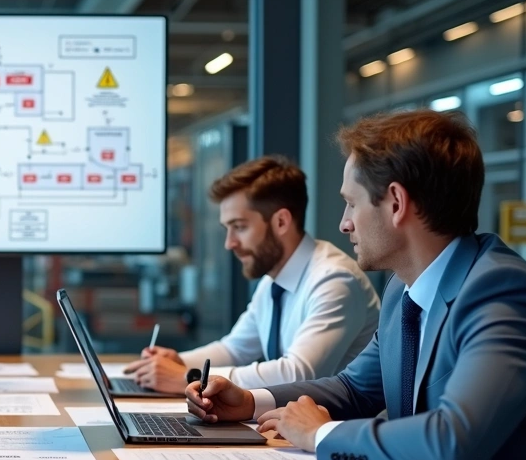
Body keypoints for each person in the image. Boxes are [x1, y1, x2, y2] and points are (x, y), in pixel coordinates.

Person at [186, 110, 526, 460]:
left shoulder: (504, 292)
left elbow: (452, 442)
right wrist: (249, 401)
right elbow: (355, 387)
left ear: (396, 202)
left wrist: (322, 435)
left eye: (351, 203)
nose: (344, 223)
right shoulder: (403, 289)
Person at [127, 156, 380, 392]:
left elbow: (298, 374)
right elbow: (235, 349)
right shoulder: (275, 279)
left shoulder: (334, 280)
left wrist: (189, 377)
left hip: (336, 431)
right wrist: (177, 361)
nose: (229, 243)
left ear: (281, 222)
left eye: (239, 227)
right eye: (228, 229)